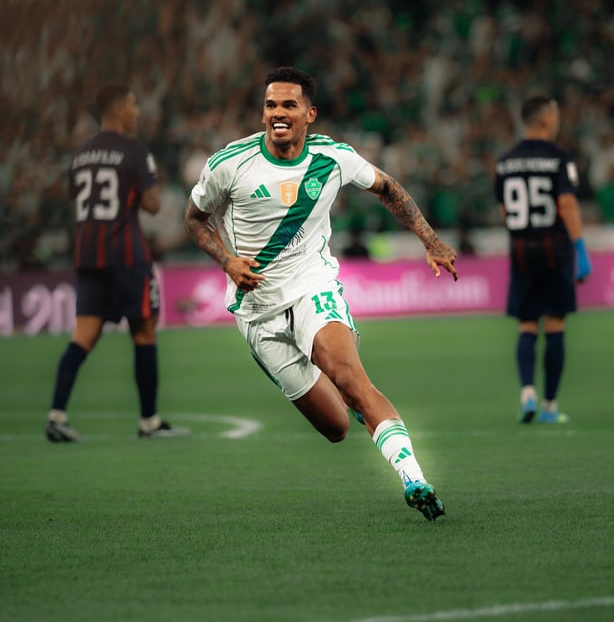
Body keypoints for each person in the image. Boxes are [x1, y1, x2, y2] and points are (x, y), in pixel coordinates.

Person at [184, 66, 458, 521]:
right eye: (271, 105)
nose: (278, 113)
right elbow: (194, 219)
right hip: (257, 312)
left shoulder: (333, 157)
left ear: (309, 114)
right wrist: (227, 260)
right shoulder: (229, 164)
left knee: (352, 378)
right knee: (335, 427)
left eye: (289, 105)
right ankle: (346, 394)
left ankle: (414, 478)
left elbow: (387, 188)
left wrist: (429, 240)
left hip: (312, 286)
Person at [45, 84, 189, 442]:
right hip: (126, 255)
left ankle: (56, 415)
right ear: (118, 109)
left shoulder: (80, 154)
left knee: (82, 337)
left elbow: (79, 200)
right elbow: (153, 205)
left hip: (88, 255)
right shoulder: (134, 150)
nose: (137, 111)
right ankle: (149, 421)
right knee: (144, 333)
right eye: (133, 104)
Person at [494, 95, 592, 424]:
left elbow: (505, 210)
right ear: (547, 118)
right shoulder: (560, 158)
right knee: (554, 324)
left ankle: (527, 393)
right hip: (555, 250)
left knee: (526, 324)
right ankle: (549, 405)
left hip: (522, 250)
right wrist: (580, 248)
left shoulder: (505, 162)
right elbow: (567, 204)